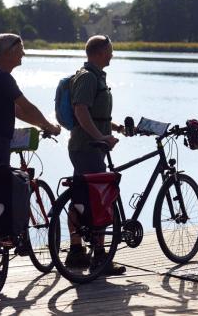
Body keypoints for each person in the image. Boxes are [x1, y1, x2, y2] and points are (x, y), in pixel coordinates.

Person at [0, 33, 61, 288]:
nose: (23, 54)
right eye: (20, 50)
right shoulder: (4, 79)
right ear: (8, 53)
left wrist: (40, 126)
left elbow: (15, 111)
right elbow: (26, 106)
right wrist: (49, 125)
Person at [66, 34, 126, 275]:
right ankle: (99, 256)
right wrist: (100, 138)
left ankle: (77, 251)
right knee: (99, 199)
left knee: (80, 197)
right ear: (100, 52)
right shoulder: (89, 77)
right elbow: (80, 111)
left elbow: (92, 114)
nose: (112, 55)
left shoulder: (93, 76)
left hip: (88, 147)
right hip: (87, 148)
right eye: (110, 51)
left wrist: (115, 127)